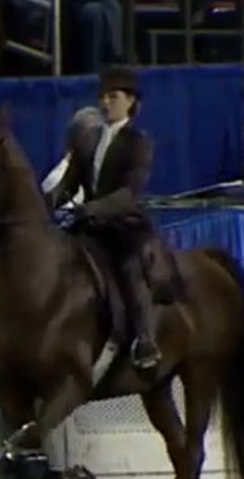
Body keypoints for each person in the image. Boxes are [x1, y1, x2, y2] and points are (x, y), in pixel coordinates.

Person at [45, 65, 159, 371]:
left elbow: (128, 194)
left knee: (130, 268)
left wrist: (92, 208)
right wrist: (45, 202)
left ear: (130, 102)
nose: (106, 102)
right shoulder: (89, 138)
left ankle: (144, 338)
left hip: (123, 226)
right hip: (89, 225)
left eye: (113, 97)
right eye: (103, 97)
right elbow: (70, 181)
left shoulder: (139, 142)